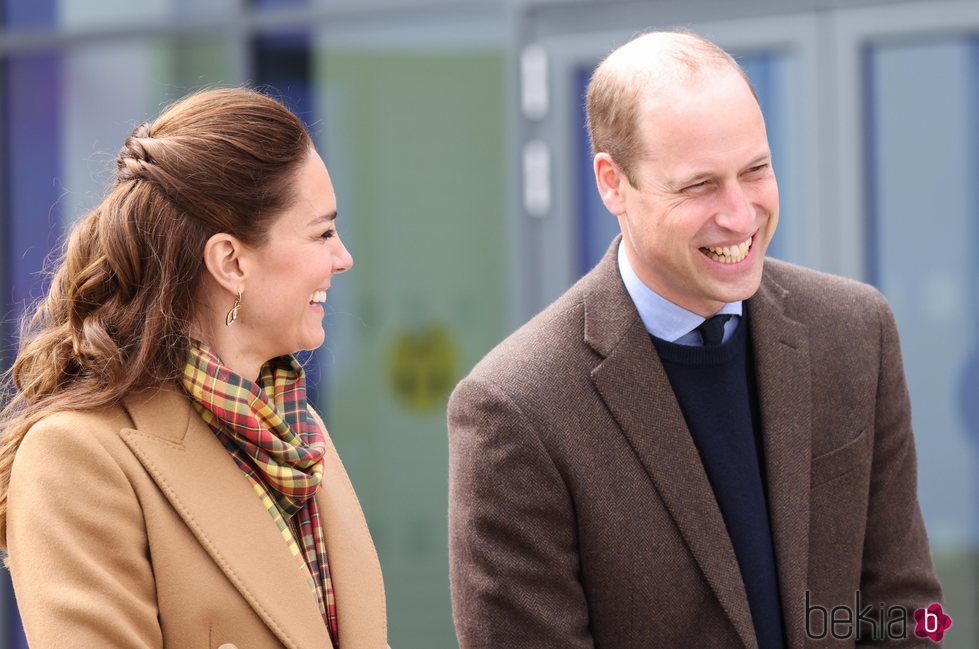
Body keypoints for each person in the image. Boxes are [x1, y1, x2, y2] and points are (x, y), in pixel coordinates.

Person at [447, 30, 943, 648]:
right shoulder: (515, 408)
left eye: (756, 170)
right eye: (699, 185)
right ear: (612, 183)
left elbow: (905, 609)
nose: (739, 214)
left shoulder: (855, 331)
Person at [0, 87, 387, 648]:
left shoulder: (299, 436)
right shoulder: (76, 459)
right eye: (323, 232)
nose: (342, 257)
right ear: (231, 261)